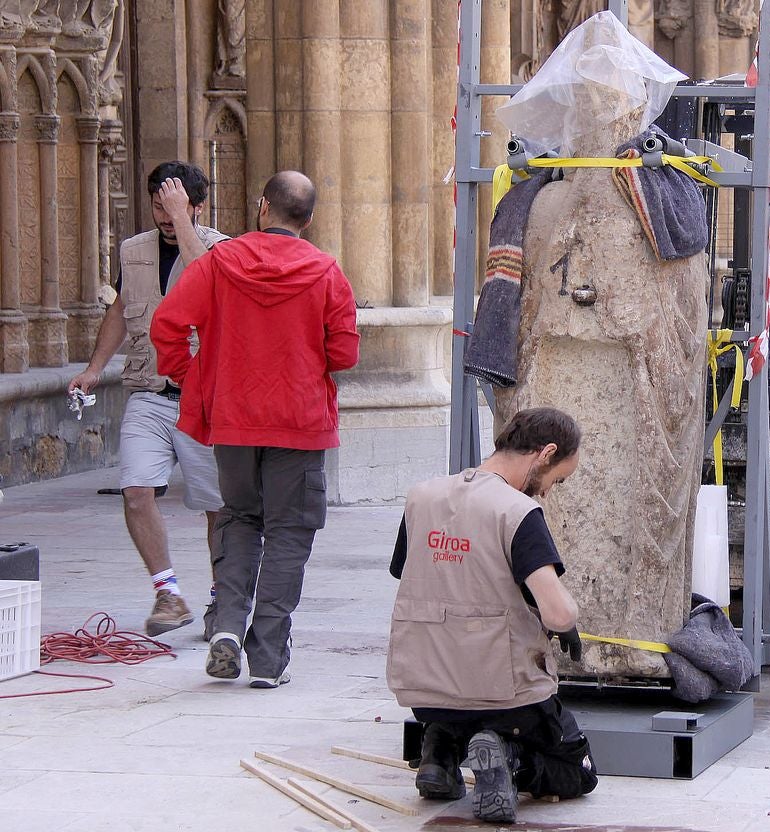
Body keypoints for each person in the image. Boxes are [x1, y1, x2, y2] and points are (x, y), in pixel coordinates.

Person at [150, 171, 359, 689]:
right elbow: (345, 354)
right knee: (289, 532)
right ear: (308, 220)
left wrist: (195, 376)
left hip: (235, 420)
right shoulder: (326, 271)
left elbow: (167, 325)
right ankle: (267, 657)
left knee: (239, 520)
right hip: (300, 422)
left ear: (262, 207)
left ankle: (226, 627)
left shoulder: (221, 262)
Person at [387, 407, 598, 824]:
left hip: (425, 691)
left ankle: (440, 754)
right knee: (580, 772)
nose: (548, 492)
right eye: (557, 479)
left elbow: (406, 571)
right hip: (504, 695)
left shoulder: (421, 496)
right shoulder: (517, 512)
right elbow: (555, 612)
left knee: (454, 706)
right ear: (545, 453)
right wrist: (570, 620)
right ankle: (510, 759)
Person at [67, 161, 228, 637]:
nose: (163, 213)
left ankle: (223, 599)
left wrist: (183, 223)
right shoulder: (133, 250)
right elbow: (121, 307)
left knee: (217, 505)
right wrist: (95, 368)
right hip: (148, 390)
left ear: (197, 205)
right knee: (136, 492)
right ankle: (168, 592)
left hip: (202, 397)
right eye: (157, 203)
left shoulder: (222, 249)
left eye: (173, 204)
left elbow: (209, 283)